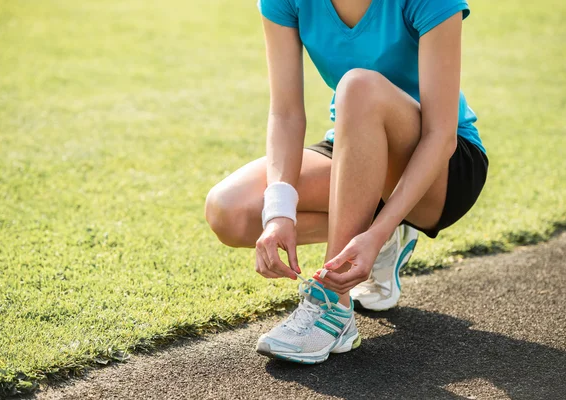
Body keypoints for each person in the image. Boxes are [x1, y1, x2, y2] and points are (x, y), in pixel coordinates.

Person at [205, 0, 488, 364]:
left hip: (443, 167)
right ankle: (378, 235)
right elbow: (286, 113)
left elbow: (440, 135)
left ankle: (331, 306)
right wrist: (279, 211)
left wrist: (377, 229)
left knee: (357, 86)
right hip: (355, 147)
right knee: (231, 211)